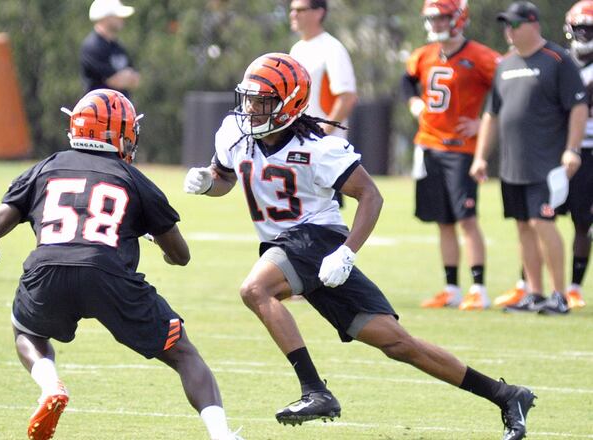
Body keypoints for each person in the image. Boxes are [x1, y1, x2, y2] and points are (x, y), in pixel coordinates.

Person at [184, 52, 535, 440]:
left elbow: (370, 195)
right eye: (248, 98)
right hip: (287, 246)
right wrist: (207, 184)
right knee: (398, 344)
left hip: (318, 238)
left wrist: (347, 252)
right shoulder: (235, 131)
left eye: (262, 100)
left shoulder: (320, 148)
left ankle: (315, 390)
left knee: (255, 289)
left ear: (290, 103)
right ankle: (506, 395)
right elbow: (224, 177)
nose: (250, 108)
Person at [0, 89, 242, 440]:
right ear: (121, 134)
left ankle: (50, 384)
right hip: (110, 275)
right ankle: (222, 435)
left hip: (47, 270)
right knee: (183, 354)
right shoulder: (134, 180)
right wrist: (154, 240)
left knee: (28, 332)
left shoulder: (45, 168)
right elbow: (181, 255)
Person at [470, 1, 587, 315]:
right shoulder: (504, 64)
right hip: (512, 165)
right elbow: (491, 115)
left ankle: (559, 295)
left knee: (543, 222)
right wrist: (481, 156)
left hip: (546, 163)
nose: (509, 30)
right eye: (506, 25)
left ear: (533, 24)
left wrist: (572, 149)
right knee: (523, 225)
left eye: (515, 24)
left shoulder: (557, 60)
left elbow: (578, 107)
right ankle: (534, 293)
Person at [402, 0, 500, 311]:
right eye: (432, 19)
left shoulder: (481, 56)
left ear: (457, 19)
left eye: (442, 18)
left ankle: (478, 288)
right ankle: (451, 288)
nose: (436, 24)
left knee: (467, 220)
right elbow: (406, 81)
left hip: (461, 150)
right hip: (429, 145)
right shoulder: (424, 54)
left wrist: (482, 120)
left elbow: (508, 88)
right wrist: (414, 104)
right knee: (443, 221)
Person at [557, 0, 593, 309]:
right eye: (579, 27)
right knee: (540, 218)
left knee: (583, 220)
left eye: (589, 28)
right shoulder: (559, 61)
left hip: (589, 151)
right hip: (557, 150)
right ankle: (530, 283)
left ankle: (574, 287)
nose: (583, 33)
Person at [288, 0, 357, 137]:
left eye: (300, 10)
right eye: (292, 9)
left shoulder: (332, 48)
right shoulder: (296, 49)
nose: (293, 14)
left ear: (319, 13)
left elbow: (347, 97)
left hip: (325, 148)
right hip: (300, 140)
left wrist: (322, 133)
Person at [80, 0, 140, 96]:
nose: (122, 19)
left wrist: (123, 77)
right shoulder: (93, 46)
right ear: (106, 17)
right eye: (117, 16)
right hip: (99, 109)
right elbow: (113, 81)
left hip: (121, 108)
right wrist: (123, 77)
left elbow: (135, 80)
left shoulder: (118, 47)